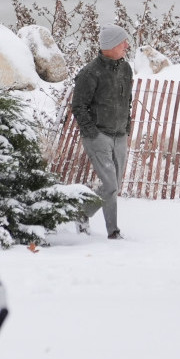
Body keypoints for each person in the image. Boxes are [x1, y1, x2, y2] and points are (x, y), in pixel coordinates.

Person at [71, 25, 134, 239]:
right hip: (99, 136)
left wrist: (126, 128)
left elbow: (128, 102)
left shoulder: (126, 69)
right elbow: (78, 105)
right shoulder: (90, 73)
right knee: (110, 185)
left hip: (120, 136)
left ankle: (82, 213)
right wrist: (92, 133)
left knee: (112, 187)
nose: (127, 45)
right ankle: (113, 232)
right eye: (123, 42)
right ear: (111, 45)